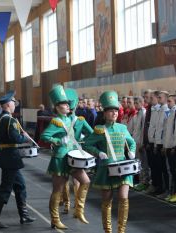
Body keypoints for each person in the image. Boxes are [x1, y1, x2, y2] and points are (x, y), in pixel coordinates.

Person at [83, 91, 136, 233]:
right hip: (106, 169)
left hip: (123, 168)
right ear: (105, 113)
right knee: (107, 201)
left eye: (116, 111)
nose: (114, 113)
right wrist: (98, 153)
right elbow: (87, 144)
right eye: (111, 111)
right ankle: (108, 230)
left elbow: (132, 142)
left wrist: (132, 151)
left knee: (124, 198)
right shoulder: (100, 130)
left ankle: (121, 230)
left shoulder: (123, 128)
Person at [41, 85, 91, 229]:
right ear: (57, 107)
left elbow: (83, 134)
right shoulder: (56, 122)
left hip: (72, 157)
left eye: (68, 103)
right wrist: (57, 141)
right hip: (60, 158)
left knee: (85, 181)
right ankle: (55, 218)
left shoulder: (71, 120)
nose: (67, 105)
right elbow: (45, 136)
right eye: (64, 104)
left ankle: (79, 210)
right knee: (58, 190)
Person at [0, 91, 35, 229]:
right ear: (8, 104)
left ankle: (24, 215)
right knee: (5, 189)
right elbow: (16, 139)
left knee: (20, 186)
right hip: (11, 158)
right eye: (13, 103)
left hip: (4, 156)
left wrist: (1, 147)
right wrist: (24, 136)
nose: (15, 105)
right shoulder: (10, 120)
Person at [60, 88, 93, 214]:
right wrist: (83, 140)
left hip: (64, 151)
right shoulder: (81, 120)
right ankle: (77, 205)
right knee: (77, 179)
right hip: (77, 152)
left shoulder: (61, 120)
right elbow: (91, 134)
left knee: (64, 178)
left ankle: (67, 205)